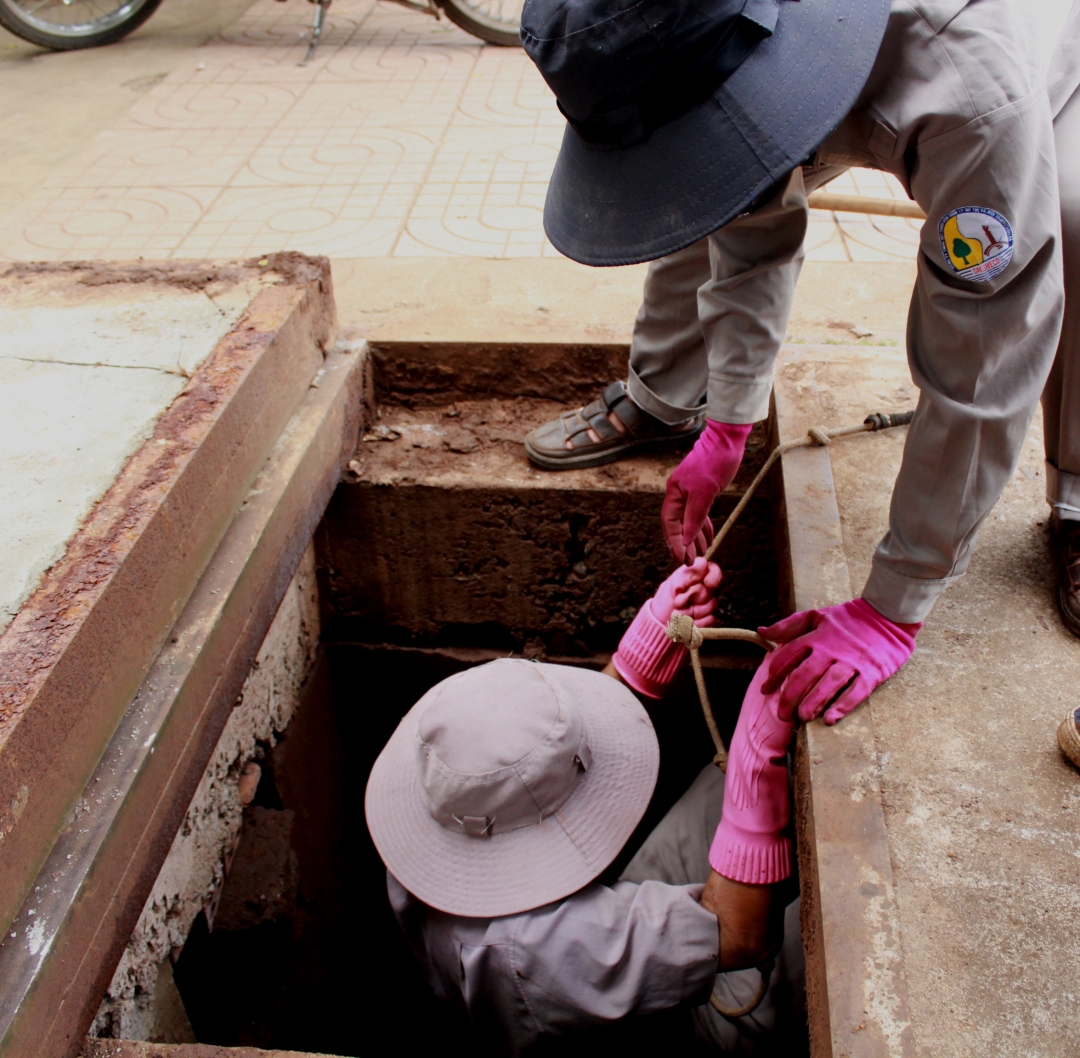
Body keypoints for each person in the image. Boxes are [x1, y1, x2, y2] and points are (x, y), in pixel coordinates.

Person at [518, 0, 1080, 982]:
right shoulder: (707, 37)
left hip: (1045, 67)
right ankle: (668, 392)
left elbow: (983, 356)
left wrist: (895, 602)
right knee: (696, 197)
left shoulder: (969, 94)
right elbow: (745, 201)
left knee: (1065, 215)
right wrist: (729, 416)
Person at [365, 560, 808, 1054]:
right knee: (817, 938)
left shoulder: (434, 806)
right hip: (667, 1036)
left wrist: (636, 663)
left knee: (727, 788)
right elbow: (742, 938)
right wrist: (752, 773)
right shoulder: (538, 948)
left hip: (582, 979)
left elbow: (522, 774)